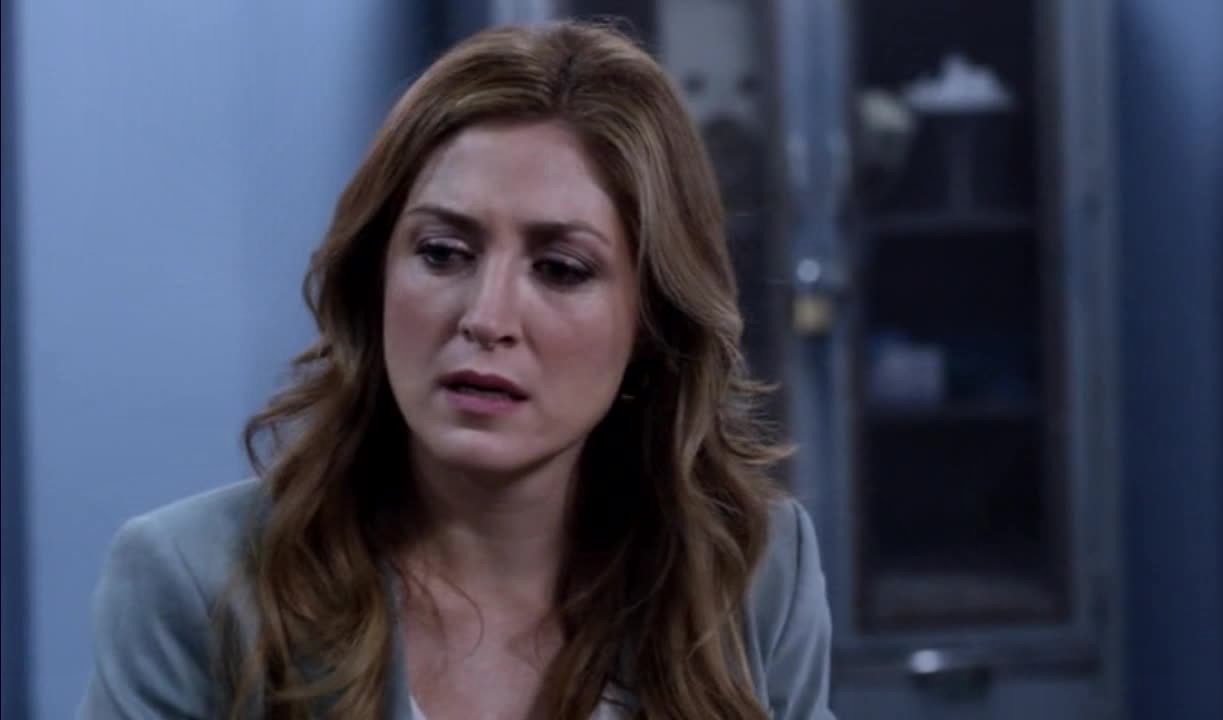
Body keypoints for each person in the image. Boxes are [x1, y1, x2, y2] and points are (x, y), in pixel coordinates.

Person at [79, 19, 834, 720]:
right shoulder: (195, 584)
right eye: (443, 254)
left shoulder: (751, 575)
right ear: (375, 277)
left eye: (561, 269)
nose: (486, 316)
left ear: (651, 321)